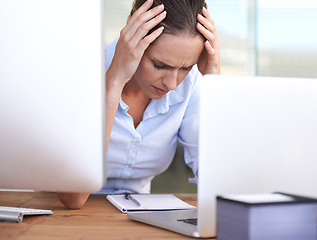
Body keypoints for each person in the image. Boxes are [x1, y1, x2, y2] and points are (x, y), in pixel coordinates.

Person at [58, 0, 220, 209]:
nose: (172, 84)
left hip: (138, 217)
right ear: (131, 37)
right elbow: (73, 198)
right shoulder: (81, 72)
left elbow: (217, 184)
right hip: (59, 216)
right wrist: (115, 79)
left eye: (186, 68)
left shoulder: (192, 84)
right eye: (159, 65)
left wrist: (214, 83)